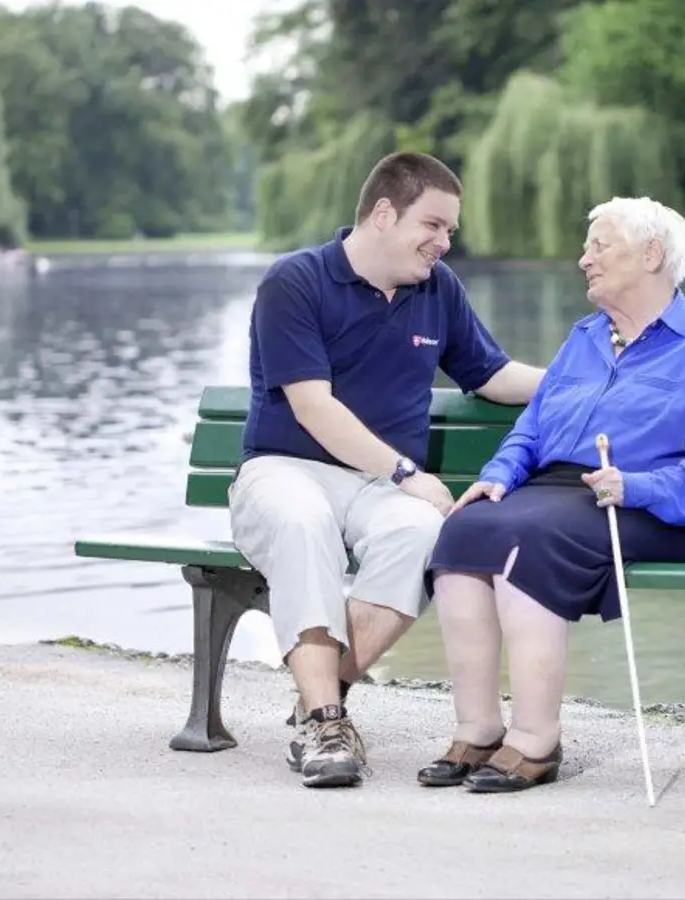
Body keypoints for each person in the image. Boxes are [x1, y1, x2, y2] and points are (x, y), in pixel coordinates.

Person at [228, 152, 543, 789]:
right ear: (382, 214)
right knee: (303, 521)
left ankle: (321, 707)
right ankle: (326, 722)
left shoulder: (438, 289)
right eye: (433, 225)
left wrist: (582, 384)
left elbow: (493, 375)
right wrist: (404, 473)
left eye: (450, 230)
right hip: (286, 470)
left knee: (426, 533)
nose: (444, 243)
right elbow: (313, 407)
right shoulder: (296, 281)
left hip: (377, 489)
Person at [417, 196, 685, 793]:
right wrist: (499, 474)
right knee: (462, 531)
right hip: (555, 494)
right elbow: (532, 428)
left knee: (531, 537)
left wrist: (636, 485)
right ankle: (479, 727)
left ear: (652, 255)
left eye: (600, 246)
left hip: (650, 510)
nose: (583, 259)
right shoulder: (584, 339)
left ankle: (536, 741)